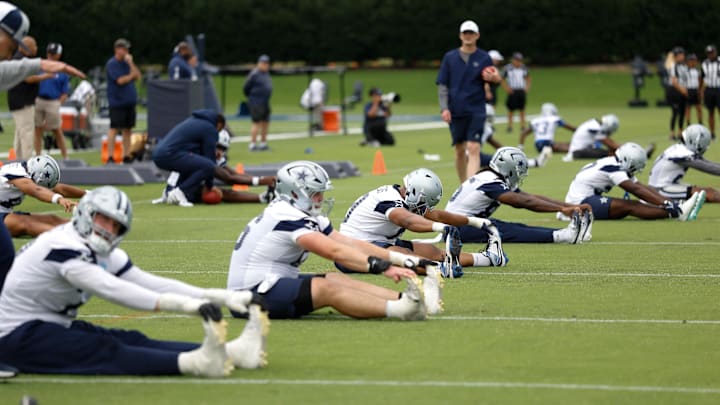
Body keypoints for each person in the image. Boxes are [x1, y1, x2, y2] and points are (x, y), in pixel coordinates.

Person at [0, 186, 270, 376]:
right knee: (104, 349)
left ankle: (233, 353)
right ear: (86, 213)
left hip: (46, 325)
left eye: (116, 225)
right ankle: (194, 363)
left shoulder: (96, 248)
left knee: (131, 338)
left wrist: (222, 297)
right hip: (14, 338)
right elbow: (113, 289)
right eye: (104, 219)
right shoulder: (62, 245)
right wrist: (189, 307)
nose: (109, 229)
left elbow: (150, 283)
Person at [227, 160, 444, 320]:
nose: (320, 199)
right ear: (293, 193)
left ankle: (407, 300)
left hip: (272, 282)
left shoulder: (304, 213)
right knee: (326, 289)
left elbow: (349, 242)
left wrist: (404, 260)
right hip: (248, 296)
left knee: (336, 279)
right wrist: (383, 267)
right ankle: (399, 310)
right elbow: (334, 252)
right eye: (314, 193)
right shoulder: (284, 215)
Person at [339, 167, 508, 279]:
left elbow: (438, 216)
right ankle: (438, 269)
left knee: (432, 251)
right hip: (351, 251)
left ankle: (488, 258)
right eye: (423, 203)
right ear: (415, 193)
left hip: (377, 241)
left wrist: (475, 221)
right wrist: (441, 229)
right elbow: (407, 220)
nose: (424, 209)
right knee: (402, 253)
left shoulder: (406, 196)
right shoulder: (389, 201)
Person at [446, 147, 593, 244]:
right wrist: (560, 210)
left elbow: (531, 197)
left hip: (461, 224)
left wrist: (569, 206)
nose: (519, 174)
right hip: (458, 228)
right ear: (508, 168)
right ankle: (564, 236)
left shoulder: (489, 177)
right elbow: (524, 202)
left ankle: (564, 234)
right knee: (507, 230)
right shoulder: (490, 181)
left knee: (513, 227)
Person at [561, 142, 705, 221]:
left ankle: (679, 209)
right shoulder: (614, 168)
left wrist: (670, 201)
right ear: (628, 161)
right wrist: (667, 204)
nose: (636, 170)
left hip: (588, 197)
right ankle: (677, 213)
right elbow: (636, 190)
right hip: (579, 203)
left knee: (632, 204)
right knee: (630, 206)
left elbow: (641, 187)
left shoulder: (615, 162)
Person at [436, 20, 502, 182]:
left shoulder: (484, 57)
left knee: (474, 147)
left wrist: (494, 78)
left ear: (477, 35)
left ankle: (470, 188)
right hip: (456, 109)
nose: (468, 36)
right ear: (460, 35)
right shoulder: (450, 58)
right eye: (465, 33)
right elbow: (443, 85)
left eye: (471, 33)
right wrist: (444, 108)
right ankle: (463, 184)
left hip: (476, 109)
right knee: (459, 149)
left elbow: (496, 79)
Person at [152, 128, 276, 205]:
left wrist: (262, 179)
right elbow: (229, 178)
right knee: (221, 192)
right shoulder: (199, 154)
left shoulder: (209, 153)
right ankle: (262, 198)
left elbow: (234, 174)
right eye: (218, 147)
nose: (220, 152)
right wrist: (263, 181)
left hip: (188, 187)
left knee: (220, 189)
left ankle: (263, 198)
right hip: (178, 190)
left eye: (223, 149)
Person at [152, 109, 226, 207]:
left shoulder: (193, 120)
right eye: (219, 130)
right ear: (219, 124)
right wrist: (209, 186)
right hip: (170, 154)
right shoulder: (210, 128)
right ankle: (180, 192)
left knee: (191, 165)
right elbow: (210, 160)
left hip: (159, 154)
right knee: (208, 166)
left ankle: (168, 192)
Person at [0, 154, 86, 237]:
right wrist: (60, 199)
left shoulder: (29, 172)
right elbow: (36, 191)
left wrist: (89, 194)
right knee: (27, 223)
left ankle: (86, 229)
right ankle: (67, 236)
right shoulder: (16, 173)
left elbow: (60, 189)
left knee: (51, 219)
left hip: (4, 212)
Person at [649, 124, 720, 203]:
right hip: (660, 189)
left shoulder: (680, 149)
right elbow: (708, 167)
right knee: (708, 193)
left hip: (666, 186)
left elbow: (706, 163)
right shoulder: (682, 154)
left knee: (709, 191)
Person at [7, 36, 51, 160]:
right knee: (27, 133)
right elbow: (28, 79)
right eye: (34, 45)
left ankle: (18, 160)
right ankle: (27, 162)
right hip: (22, 102)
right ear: (25, 47)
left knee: (20, 133)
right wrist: (46, 76)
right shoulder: (20, 60)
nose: (36, 48)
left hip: (20, 101)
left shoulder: (20, 58)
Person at [105, 38, 141, 164]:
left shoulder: (127, 63)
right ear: (117, 49)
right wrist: (130, 76)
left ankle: (126, 155)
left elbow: (138, 75)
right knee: (114, 128)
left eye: (127, 49)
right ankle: (110, 156)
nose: (126, 51)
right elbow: (120, 81)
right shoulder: (112, 64)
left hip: (129, 101)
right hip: (117, 102)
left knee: (128, 129)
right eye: (124, 49)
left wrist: (131, 64)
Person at [34, 42, 69, 159]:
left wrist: (59, 103)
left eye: (54, 54)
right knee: (37, 129)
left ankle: (65, 156)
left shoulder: (62, 69)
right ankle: (37, 155)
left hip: (53, 101)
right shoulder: (40, 66)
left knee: (56, 129)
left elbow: (65, 92)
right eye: (50, 53)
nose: (51, 56)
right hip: (39, 99)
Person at [518, 102, 576, 167]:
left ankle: (545, 152)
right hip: (548, 144)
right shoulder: (555, 119)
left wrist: (520, 148)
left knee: (565, 144)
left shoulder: (535, 120)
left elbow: (523, 133)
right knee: (572, 148)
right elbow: (572, 128)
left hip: (538, 145)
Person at [243, 54, 272, 151]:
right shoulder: (254, 74)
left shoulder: (266, 74)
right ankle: (252, 144)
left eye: (267, 63)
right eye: (263, 63)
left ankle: (263, 143)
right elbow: (246, 88)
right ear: (259, 63)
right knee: (256, 122)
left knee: (265, 122)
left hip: (265, 102)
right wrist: (253, 97)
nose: (265, 65)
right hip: (256, 102)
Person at [502, 52, 531, 133]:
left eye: (520, 60)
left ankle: (523, 126)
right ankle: (510, 126)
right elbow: (502, 79)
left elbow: (528, 78)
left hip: (521, 90)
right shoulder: (507, 68)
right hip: (512, 90)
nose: (518, 62)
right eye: (517, 60)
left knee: (522, 109)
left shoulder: (524, 68)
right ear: (513, 60)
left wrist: (527, 88)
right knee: (511, 109)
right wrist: (507, 88)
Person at [668, 46, 688, 140]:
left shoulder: (684, 66)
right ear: (676, 56)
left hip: (683, 91)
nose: (682, 57)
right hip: (675, 91)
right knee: (675, 112)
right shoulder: (673, 66)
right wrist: (682, 90)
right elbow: (674, 81)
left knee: (682, 112)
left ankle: (680, 132)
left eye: (682, 55)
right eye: (680, 55)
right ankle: (672, 133)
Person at [701, 44, 720, 139]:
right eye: (709, 53)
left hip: (718, 88)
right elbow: (702, 78)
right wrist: (701, 91)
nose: (710, 55)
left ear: (715, 52)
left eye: (712, 53)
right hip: (709, 89)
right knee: (710, 112)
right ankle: (712, 133)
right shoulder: (705, 64)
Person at [685, 53, 702, 126]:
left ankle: (700, 122)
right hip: (688, 90)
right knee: (688, 108)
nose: (692, 63)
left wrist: (700, 91)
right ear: (688, 62)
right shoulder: (685, 71)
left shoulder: (698, 71)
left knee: (698, 107)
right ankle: (688, 123)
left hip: (695, 90)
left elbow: (700, 81)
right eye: (691, 61)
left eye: (694, 61)